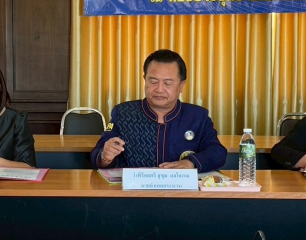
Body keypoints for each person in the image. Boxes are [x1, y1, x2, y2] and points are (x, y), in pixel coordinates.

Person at [90, 49, 227, 172]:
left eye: (168, 83)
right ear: (145, 80)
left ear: (181, 85)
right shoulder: (124, 113)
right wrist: (105, 156)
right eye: (153, 82)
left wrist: (191, 163)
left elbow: (217, 152)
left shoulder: (197, 116)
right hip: (133, 190)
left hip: (181, 190)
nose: (159, 89)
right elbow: (98, 153)